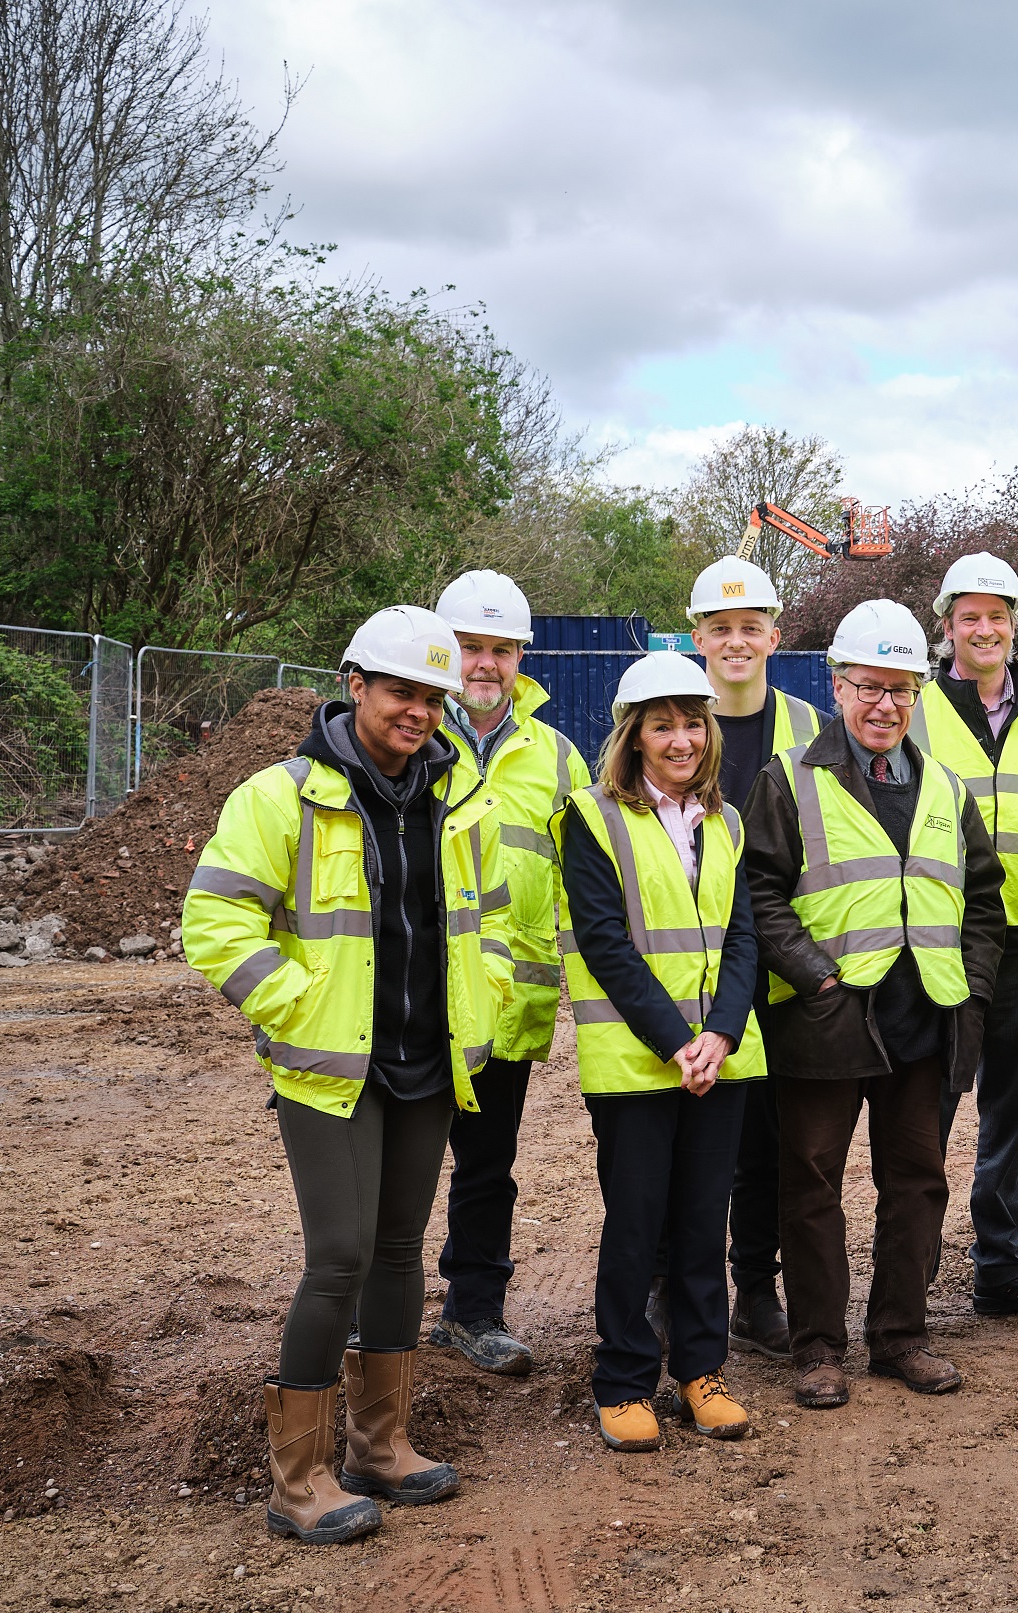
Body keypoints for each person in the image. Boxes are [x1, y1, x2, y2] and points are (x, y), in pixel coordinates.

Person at [184, 606, 511, 1543]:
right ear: (355, 684)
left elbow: (480, 923)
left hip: (425, 1062)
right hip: (332, 1069)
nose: (418, 712)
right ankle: (299, 1477)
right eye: (402, 690)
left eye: (433, 697)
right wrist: (297, 1005)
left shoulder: (459, 798)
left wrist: (477, 1012)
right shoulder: (281, 795)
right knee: (338, 1257)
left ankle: (382, 1444)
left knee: (401, 1252)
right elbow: (213, 923)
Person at [745, 600, 1006, 1407]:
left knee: (917, 1182)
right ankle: (818, 1346)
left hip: (924, 1020)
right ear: (837, 684)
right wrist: (817, 975)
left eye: (902, 688)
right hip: (826, 1022)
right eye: (869, 686)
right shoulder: (787, 779)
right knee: (812, 1185)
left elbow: (985, 902)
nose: (885, 704)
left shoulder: (945, 788)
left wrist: (972, 989)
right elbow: (758, 893)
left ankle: (900, 1337)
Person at [555, 652, 761, 1453]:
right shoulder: (591, 816)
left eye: (693, 723)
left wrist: (723, 1033)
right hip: (637, 1064)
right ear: (632, 734)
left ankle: (702, 1371)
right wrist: (679, 1040)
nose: (682, 739)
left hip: (722, 1058)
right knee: (637, 1224)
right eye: (663, 724)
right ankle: (623, 1380)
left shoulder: (726, 819)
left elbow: (741, 937)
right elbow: (605, 944)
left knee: (703, 1221)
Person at [425, 570, 588, 1377]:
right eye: (469, 646)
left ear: (521, 655)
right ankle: (374, 1311)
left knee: (488, 1167)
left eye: (500, 648)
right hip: (417, 998)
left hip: (511, 1000)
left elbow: (589, 879)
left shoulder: (555, 755)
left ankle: (472, 1310)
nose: (484, 664)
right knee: (399, 1163)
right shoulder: (407, 731)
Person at [911, 552, 1018, 1319]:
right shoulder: (913, 707)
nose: (984, 628)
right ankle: (904, 1272)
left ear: (1014, 625)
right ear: (946, 626)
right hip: (945, 942)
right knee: (930, 1108)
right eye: (969, 616)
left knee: (1008, 1113)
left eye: (997, 615)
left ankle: (998, 1264)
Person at [687, 555, 826, 1360]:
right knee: (695, 1138)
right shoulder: (671, 717)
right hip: (693, 971)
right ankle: (680, 1286)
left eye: (750, 629)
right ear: (699, 636)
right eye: (720, 629)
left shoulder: (810, 729)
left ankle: (757, 1289)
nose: (735, 642)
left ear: (774, 636)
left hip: (782, 971)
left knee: (772, 1144)